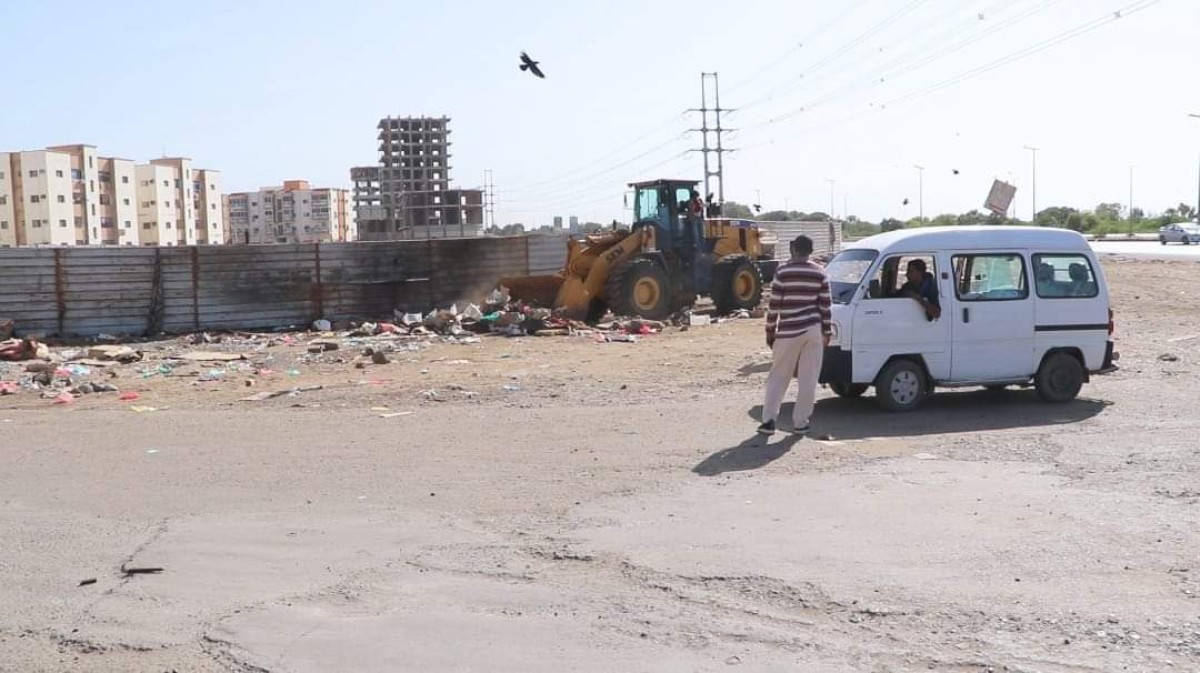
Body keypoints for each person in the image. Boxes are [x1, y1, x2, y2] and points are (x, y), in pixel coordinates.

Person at [759, 235, 832, 436]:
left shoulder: (782, 271)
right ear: (811, 250)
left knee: (778, 377)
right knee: (809, 379)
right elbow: (825, 305)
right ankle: (801, 422)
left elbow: (774, 305)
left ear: (793, 249)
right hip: (813, 330)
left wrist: (770, 331)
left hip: (789, 330)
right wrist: (827, 331)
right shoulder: (820, 272)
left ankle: (768, 421)